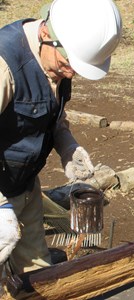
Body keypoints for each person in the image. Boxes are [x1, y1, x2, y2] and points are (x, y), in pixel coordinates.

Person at [0, 0, 122, 286]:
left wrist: (68, 147)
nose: (72, 74)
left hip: (24, 186)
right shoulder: (4, 67)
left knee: (39, 278)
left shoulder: (56, 61)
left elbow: (50, 113)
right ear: (46, 34)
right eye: (68, 64)